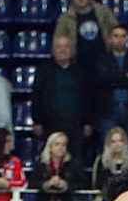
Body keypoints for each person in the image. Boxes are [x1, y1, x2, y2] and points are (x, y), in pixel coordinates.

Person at [37, 32, 92, 162]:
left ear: (72, 50)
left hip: (75, 125)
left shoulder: (81, 71)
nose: (63, 50)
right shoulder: (44, 70)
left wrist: (88, 121)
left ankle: (75, 183)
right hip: (50, 123)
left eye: (66, 46)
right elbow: (37, 96)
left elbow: (88, 98)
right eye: (59, 46)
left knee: (76, 159)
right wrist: (37, 120)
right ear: (53, 50)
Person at [51, 0, 118, 56]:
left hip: (105, 59)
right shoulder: (65, 18)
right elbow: (58, 40)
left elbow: (117, 30)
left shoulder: (104, 11)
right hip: (77, 62)